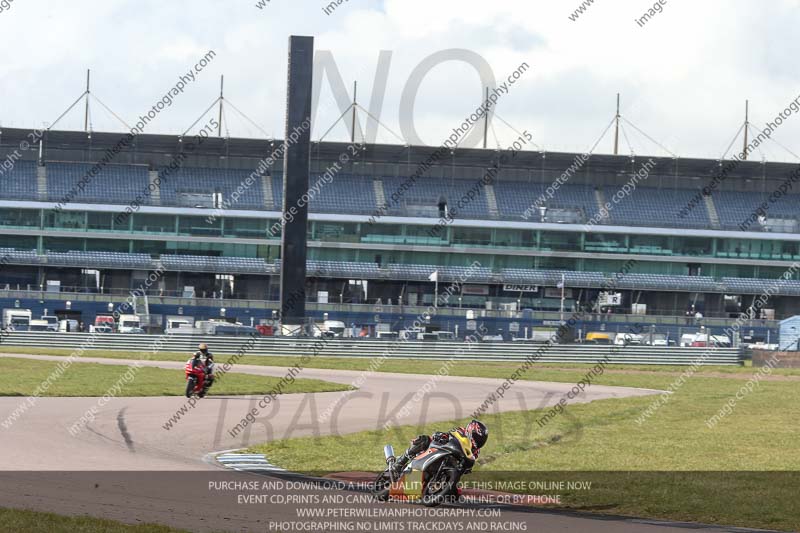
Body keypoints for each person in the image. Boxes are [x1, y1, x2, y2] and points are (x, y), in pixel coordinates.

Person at [392, 420, 488, 476]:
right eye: (478, 438)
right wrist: (441, 436)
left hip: (450, 464)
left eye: (481, 440)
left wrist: (467, 469)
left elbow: (468, 465)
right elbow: (449, 434)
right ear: (471, 431)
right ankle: (400, 462)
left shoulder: (475, 451)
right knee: (424, 440)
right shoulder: (461, 431)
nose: (479, 441)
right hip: (441, 448)